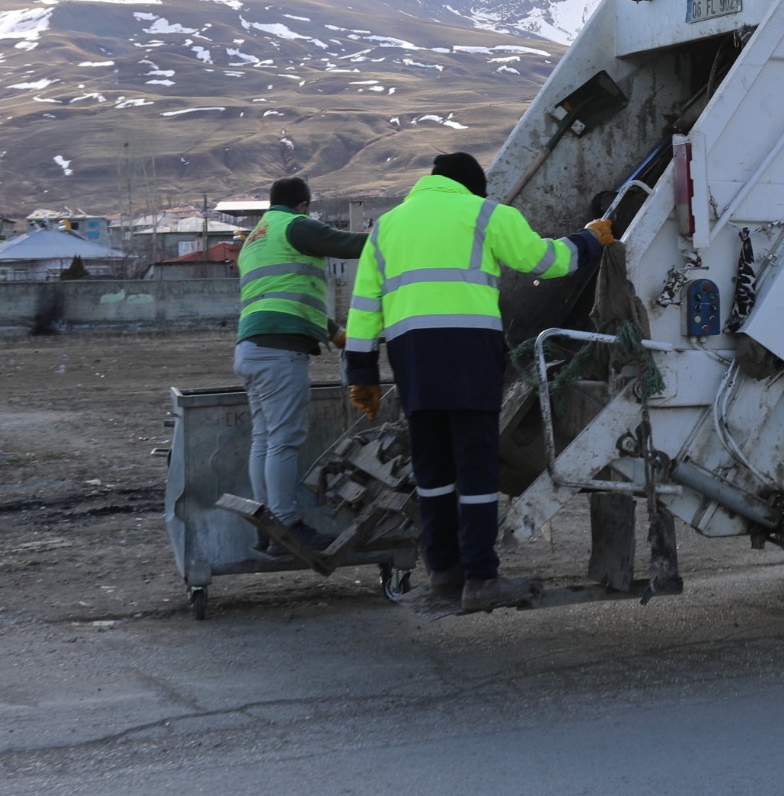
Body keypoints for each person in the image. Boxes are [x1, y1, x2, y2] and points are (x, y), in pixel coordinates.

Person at [344, 152, 608, 615]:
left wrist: (362, 376)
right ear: (472, 187)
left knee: (433, 474)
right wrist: (590, 240)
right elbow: (546, 261)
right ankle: (482, 579)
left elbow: (364, 307)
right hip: (467, 354)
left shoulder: (385, 227)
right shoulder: (485, 214)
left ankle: (445, 577)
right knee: (476, 471)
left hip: (413, 362)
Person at [232, 176, 367, 557]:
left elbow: (282, 297)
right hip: (279, 351)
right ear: (304, 205)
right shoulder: (296, 226)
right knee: (285, 441)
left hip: (251, 347)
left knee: (265, 440)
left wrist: (336, 334)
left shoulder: (256, 238)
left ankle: (266, 527)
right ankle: (287, 526)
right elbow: (348, 244)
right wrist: (395, 232)